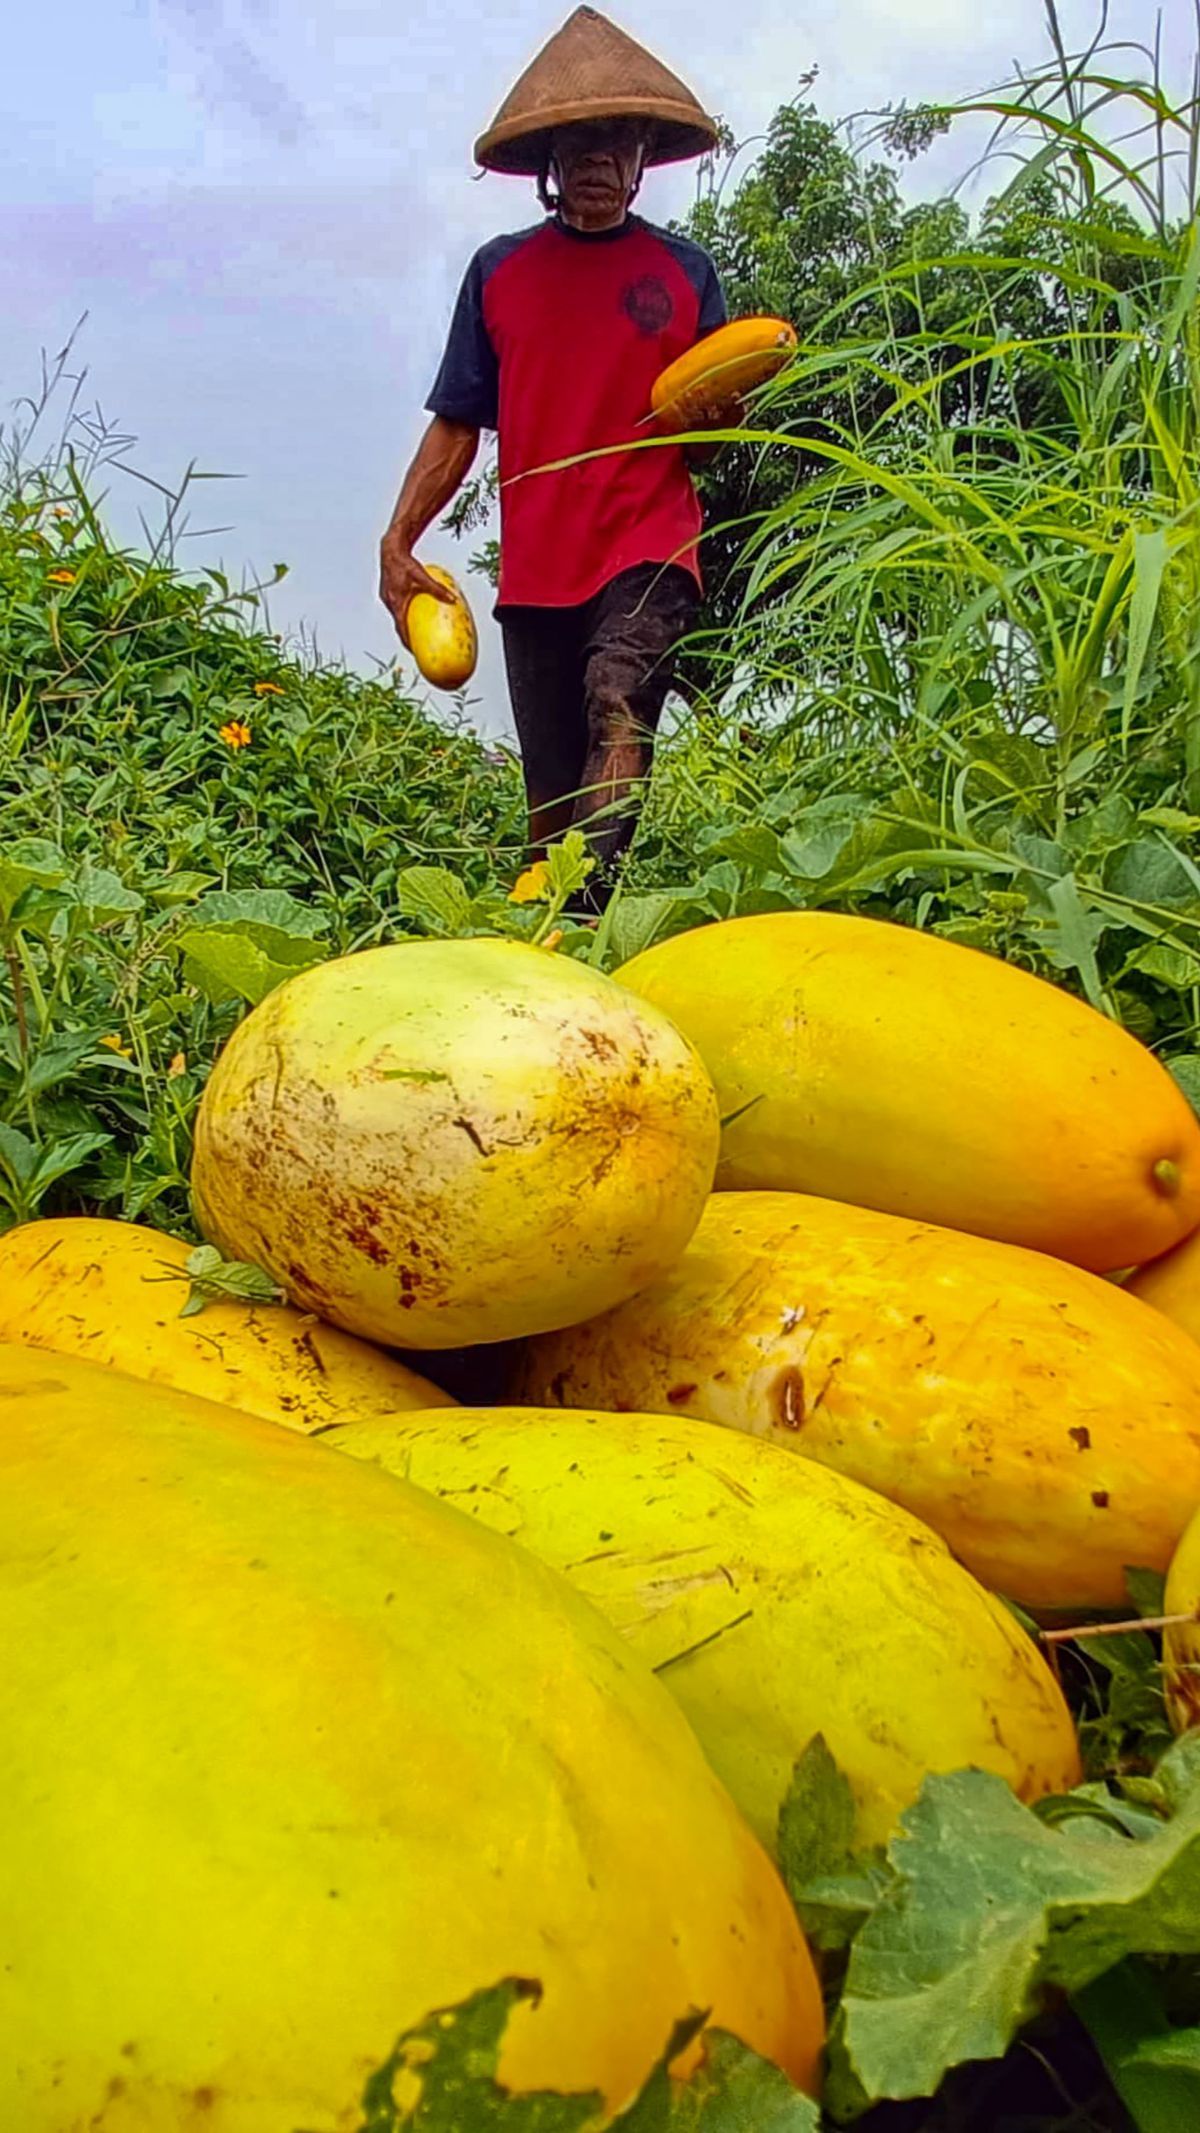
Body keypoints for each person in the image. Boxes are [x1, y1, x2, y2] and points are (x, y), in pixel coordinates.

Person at [378, 5, 728, 904]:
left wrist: (732, 408)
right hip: (539, 569)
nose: (600, 165)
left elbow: (725, 412)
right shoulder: (499, 273)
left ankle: (582, 907)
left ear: (644, 154)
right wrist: (399, 541)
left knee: (618, 696)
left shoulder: (686, 274)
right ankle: (554, 940)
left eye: (617, 144)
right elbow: (459, 420)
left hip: (650, 544)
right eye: (578, 149)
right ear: (547, 168)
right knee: (550, 805)